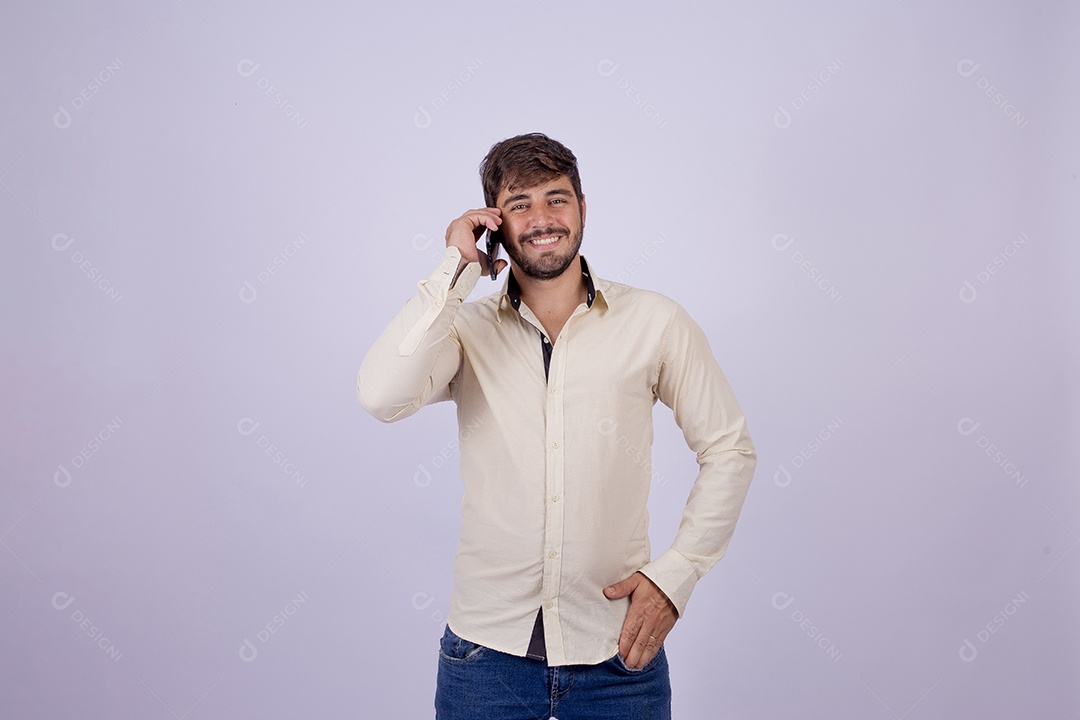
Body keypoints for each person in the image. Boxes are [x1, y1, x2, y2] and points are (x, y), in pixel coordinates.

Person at [357, 133, 756, 719]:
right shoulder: (464, 332)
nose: (542, 219)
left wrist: (679, 574)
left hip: (619, 659)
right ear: (494, 223)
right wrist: (455, 268)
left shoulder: (656, 321)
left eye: (556, 198)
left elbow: (729, 449)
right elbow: (381, 395)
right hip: (484, 662)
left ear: (583, 207)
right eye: (519, 204)